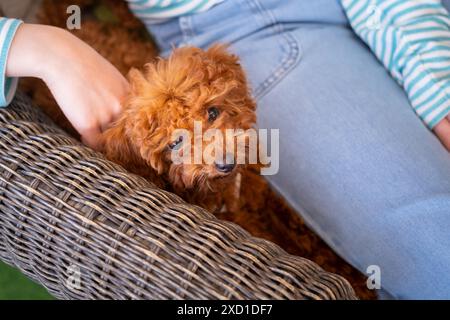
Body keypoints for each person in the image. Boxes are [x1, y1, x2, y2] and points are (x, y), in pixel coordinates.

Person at [2, 0, 450, 298]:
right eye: (179, 142)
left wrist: (435, 86)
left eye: (213, 117)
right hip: (249, 21)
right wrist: (44, 47)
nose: (216, 151)